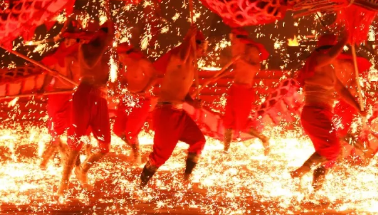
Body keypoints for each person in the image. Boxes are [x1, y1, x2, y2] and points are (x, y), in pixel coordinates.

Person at [291, 31, 364, 190]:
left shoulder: (329, 69)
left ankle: (315, 191)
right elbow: (330, 56)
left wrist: (358, 107)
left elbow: (342, 91)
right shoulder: (316, 61)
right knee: (332, 149)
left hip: (323, 114)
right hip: (314, 114)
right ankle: (301, 171)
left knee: (328, 157)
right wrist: (344, 39)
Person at [139, 26, 208, 188]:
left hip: (179, 112)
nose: (204, 49)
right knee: (160, 157)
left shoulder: (190, 64)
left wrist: (193, 104)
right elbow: (181, 55)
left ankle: (186, 178)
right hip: (166, 113)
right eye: (201, 44)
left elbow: (183, 93)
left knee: (198, 141)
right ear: (195, 44)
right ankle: (139, 187)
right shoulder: (178, 58)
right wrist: (187, 39)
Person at [57, 18, 115, 197]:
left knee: (105, 146)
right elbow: (89, 65)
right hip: (84, 95)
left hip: (101, 99)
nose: (110, 37)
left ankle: (82, 170)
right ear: (100, 33)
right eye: (106, 32)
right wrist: (105, 46)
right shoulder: (86, 47)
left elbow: (109, 78)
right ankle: (63, 184)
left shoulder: (109, 53)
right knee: (76, 143)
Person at [206, 28, 270, 154]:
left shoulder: (251, 50)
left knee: (242, 125)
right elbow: (237, 69)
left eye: (233, 37)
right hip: (234, 88)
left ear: (240, 38)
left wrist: (243, 61)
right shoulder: (237, 51)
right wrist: (218, 77)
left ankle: (263, 139)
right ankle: (225, 150)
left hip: (244, 91)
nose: (232, 41)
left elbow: (255, 68)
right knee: (228, 122)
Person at [39, 35, 80, 169]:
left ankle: (70, 160)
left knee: (70, 128)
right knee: (54, 129)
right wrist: (43, 89)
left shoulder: (76, 60)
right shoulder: (56, 59)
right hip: (56, 95)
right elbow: (48, 75)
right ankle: (46, 159)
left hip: (70, 96)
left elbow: (78, 79)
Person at [112, 43, 158, 165]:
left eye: (120, 55)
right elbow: (123, 81)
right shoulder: (124, 66)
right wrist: (118, 90)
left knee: (131, 132)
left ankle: (136, 155)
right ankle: (135, 150)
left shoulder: (142, 63)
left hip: (141, 100)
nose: (119, 58)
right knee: (117, 130)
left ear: (126, 55)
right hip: (127, 98)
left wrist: (144, 91)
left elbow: (154, 76)